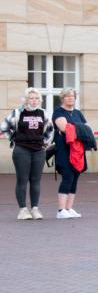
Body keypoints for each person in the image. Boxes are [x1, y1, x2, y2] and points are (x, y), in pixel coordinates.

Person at [1, 88, 54, 220]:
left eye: (36, 98)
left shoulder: (43, 113)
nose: (34, 101)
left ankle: (35, 209)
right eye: (31, 98)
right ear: (26, 100)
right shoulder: (18, 112)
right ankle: (23, 210)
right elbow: (4, 127)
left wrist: (45, 143)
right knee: (22, 181)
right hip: (21, 150)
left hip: (38, 151)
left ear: (40, 100)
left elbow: (50, 129)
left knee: (36, 181)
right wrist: (14, 139)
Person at [52, 87, 89, 219]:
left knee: (75, 179)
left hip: (78, 152)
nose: (70, 98)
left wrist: (75, 128)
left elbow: (88, 130)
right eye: (67, 96)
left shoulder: (78, 113)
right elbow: (64, 128)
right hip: (64, 151)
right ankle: (61, 210)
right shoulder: (58, 112)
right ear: (62, 98)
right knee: (67, 177)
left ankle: (69, 208)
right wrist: (81, 129)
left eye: (72, 96)